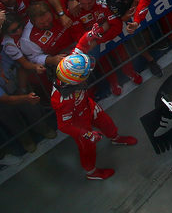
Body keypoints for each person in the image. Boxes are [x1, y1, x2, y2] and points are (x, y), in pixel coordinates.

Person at [50, 52, 138, 180]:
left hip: (87, 106)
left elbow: (82, 45)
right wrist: (87, 134)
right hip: (78, 123)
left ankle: (115, 138)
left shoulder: (69, 66)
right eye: (85, 73)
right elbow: (64, 126)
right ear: (75, 79)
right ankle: (91, 172)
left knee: (107, 122)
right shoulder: (63, 100)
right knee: (87, 147)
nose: (89, 73)